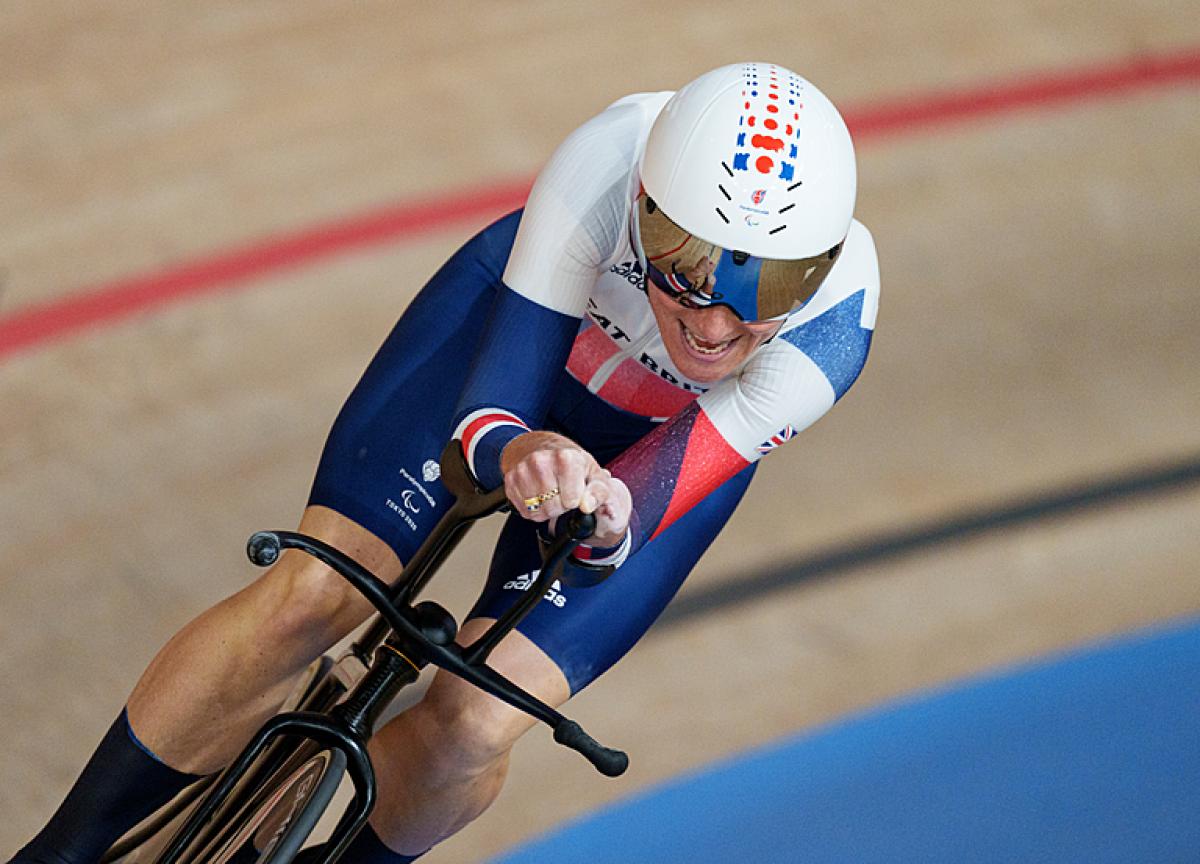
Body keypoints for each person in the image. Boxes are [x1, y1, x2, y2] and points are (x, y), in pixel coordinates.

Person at [11, 61, 879, 864]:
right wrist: (524, 448)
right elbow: (487, 410)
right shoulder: (610, 158)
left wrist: (606, 517)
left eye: (767, 291)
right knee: (312, 595)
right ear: (646, 210)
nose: (717, 326)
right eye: (686, 270)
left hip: (648, 448)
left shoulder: (833, 331)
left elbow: (639, 515)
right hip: (516, 350)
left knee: (476, 721)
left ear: (820, 270)